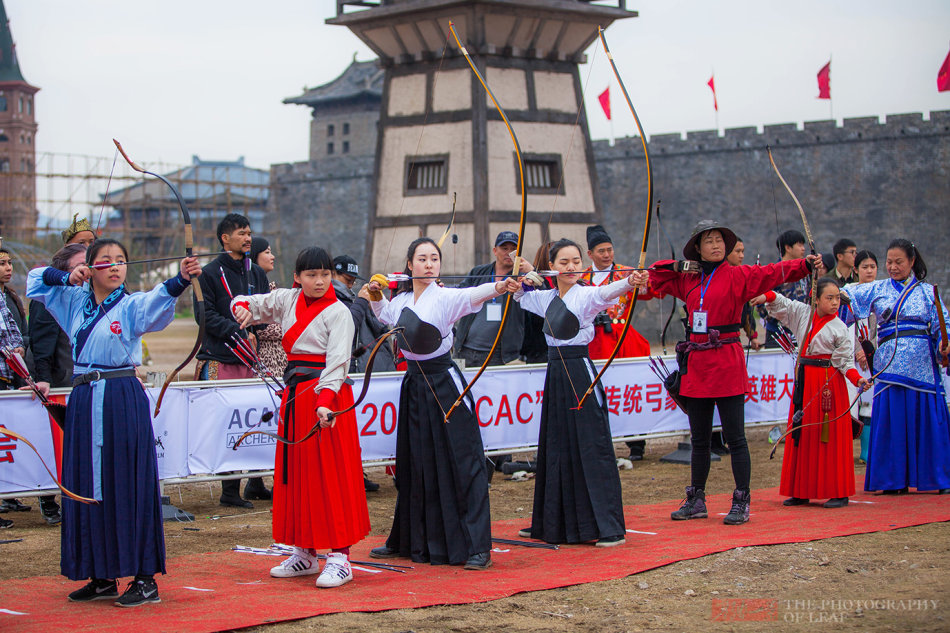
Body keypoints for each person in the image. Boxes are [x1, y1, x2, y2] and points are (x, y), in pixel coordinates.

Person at [26, 238, 202, 607]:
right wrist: (65, 275)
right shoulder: (73, 300)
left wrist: (182, 279)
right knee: (88, 483)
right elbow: (35, 280)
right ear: (89, 269)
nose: (115, 266)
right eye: (105, 261)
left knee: (128, 483)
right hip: (85, 399)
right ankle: (101, 573)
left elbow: (158, 300)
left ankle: (143, 577)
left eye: (121, 260)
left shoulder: (131, 304)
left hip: (121, 396)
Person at [648, 220, 820, 525]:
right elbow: (656, 275)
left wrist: (804, 265)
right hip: (697, 364)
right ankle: (696, 499)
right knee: (700, 439)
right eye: (708, 242)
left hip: (726, 359)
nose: (716, 246)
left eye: (719, 241)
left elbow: (773, 272)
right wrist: (678, 264)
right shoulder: (689, 279)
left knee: (736, 437)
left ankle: (741, 501)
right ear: (698, 249)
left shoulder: (739, 275)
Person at [363, 237, 512, 570]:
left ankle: (476, 546)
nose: (429, 264)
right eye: (422, 259)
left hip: (445, 385)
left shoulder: (446, 297)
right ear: (410, 264)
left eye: (434, 258)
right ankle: (406, 539)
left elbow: (474, 294)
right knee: (414, 464)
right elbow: (384, 313)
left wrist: (501, 286)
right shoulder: (400, 299)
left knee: (463, 462)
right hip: (414, 385)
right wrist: (375, 294)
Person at [231, 246, 370, 588]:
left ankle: (340, 556)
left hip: (328, 399)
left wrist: (325, 402)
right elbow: (251, 302)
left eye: (325, 275)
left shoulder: (339, 312)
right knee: (299, 476)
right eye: (311, 275)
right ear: (298, 277)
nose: (320, 281)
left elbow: (338, 363)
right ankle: (305, 552)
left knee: (332, 476)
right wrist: (240, 308)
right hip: (297, 397)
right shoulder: (288, 299)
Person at [508, 238, 647, 546]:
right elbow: (519, 297)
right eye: (563, 263)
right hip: (555, 372)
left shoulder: (587, 295)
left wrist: (630, 281)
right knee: (554, 443)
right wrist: (526, 277)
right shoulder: (546, 298)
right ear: (552, 267)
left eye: (575, 262)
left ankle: (607, 526)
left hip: (579, 371)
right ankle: (548, 520)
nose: (570, 267)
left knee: (590, 445)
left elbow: (606, 291)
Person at [840, 239, 950, 495]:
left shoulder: (927, 292)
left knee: (928, 424)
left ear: (912, 262)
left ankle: (936, 478)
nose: (892, 267)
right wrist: (823, 281)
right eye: (889, 262)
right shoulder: (875, 288)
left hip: (922, 367)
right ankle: (892, 480)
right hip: (889, 368)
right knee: (892, 425)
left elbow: (942, 325)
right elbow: (843, 296)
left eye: (899, 262)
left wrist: (945, 344)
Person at [756, 279, 870, 508]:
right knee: (803, 434)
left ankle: (838, 491)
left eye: (837, 298)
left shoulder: (839, 327)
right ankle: (801, 490)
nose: (835, 302)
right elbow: (783, 303)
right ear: (815, 299)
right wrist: (765, 295)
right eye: (829, 298)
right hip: (805, 380)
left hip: (829, 384)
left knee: (829, 436)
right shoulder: (803, 313)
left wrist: (857, 379)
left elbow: (845, 362)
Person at [195, 214, 271, 507]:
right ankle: (229, 491)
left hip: (249, 359)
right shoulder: (209, 273)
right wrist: (237, 329)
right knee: (225, 425)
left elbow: (266, 307)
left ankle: (254, 482)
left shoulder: (256, 274)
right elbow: (205, 315)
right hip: (220, 358)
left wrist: (256, 325)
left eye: (250, 233)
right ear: (225, 238)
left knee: (249, 422)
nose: (248, 238)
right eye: (242, 233)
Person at [23, 245, 89, 525]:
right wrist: (44, 378)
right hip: (59, 380)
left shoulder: (90, 293)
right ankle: (49, 499)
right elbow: (41, 341)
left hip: (81, 380)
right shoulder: (48, 294)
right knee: (54, 446)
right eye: (82, 263)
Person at [582, 225, 653, 461]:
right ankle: (599, 440)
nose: (607, 255)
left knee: (629, 386)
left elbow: (647, 289)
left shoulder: (626, 273)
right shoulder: (583, 277)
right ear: (590, 254)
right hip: (595, 339)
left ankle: (636, 444)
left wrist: (644, 278)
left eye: (610, 250)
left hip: (622, 337)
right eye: (601, 251)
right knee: (599, 388)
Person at [331, 253, 393, 492]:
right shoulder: (336, 299)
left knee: (354, 428)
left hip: (360, 365)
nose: (350, 284)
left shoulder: (355, 297)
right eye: (346, 279)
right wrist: (360, 301)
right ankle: (346, 474)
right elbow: (348, 326)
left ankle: (357, 471)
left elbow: (381, 325)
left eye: (353, 280)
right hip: (340, 367)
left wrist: (376, 298)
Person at [454, 230, 524, 368]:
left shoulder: (521, 278)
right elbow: (459, 293)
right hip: (466, 349)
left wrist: (530, 272)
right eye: (504, 248)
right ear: (495, 251)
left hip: (499, 355)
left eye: (513, 249)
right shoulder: (478, 272)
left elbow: (540, 294)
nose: (509, 253)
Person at [0, 244, 33, 518]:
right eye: (2, 264)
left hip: (9, 372)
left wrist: (19, 347)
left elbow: (14, 332)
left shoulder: (7, 297)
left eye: (9, 263)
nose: (8, 268)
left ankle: (8, 496)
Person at [850, 250, 879, 463]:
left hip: (876, 358)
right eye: (864, 267)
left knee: (870, 405)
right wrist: (857, 349)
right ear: (856, 270)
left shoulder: (883, 293)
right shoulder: (849, 294)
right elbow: (846, 326)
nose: (869, 271)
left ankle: (868, 452)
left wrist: (871, 349)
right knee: (853, 405)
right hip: (853, 359)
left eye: (872, 267)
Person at [761, 230, 810, 350]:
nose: (803, 249)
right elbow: (762, 305)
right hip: (779, 333)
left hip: (801, 331)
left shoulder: (805, 271)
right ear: (787, 248)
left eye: (803, 245)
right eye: (799, 245)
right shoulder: (773, 272)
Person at [249, 237, 287, 377]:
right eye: (267, 252)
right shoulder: (250, 292)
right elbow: (262, 326)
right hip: (263, 366)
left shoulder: (275, 292)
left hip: (281, 366)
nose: (272, 257)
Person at [520, 241, 555, 364]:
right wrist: (533, 272)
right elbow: (544, 309)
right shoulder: (532, 280)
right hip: (538, 350)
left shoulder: (565, 281)